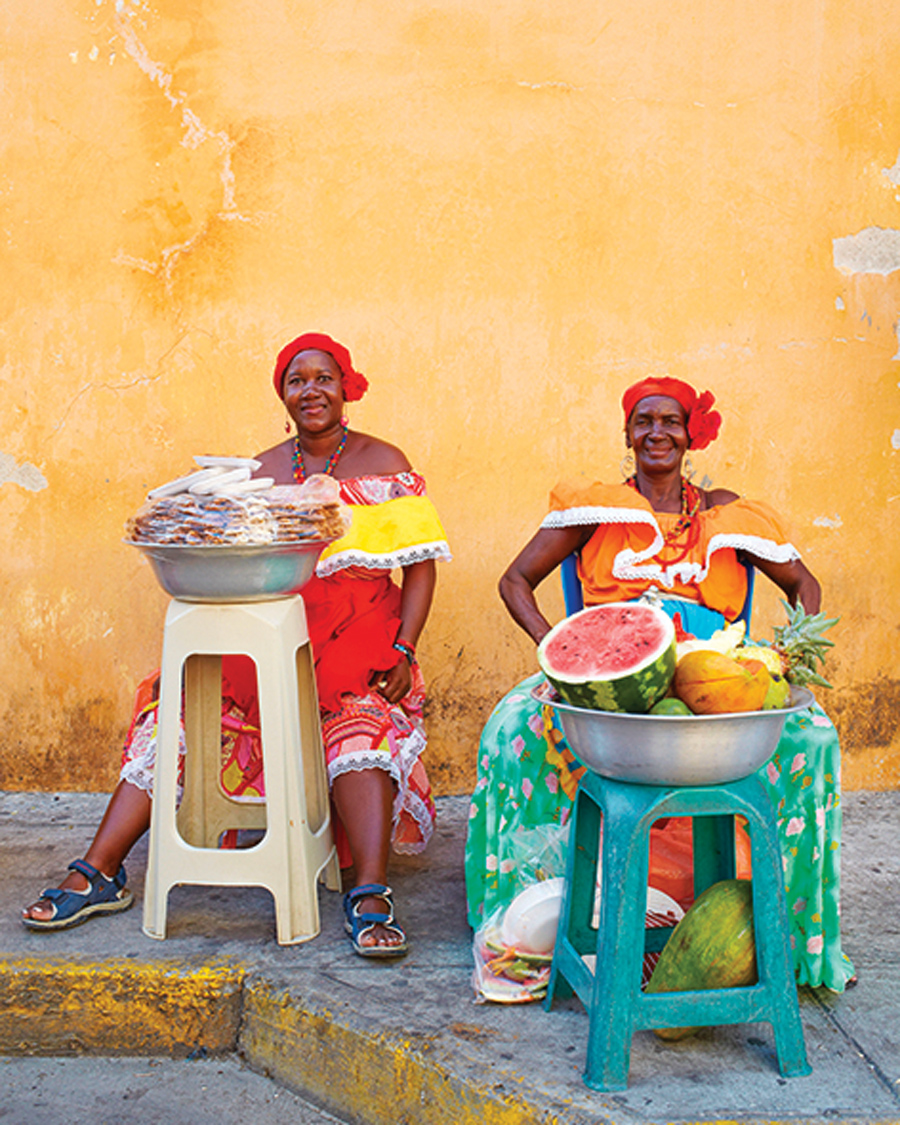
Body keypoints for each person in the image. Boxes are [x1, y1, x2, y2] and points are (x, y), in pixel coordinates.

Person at [23, 332, 450, 958]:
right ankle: (101, 869)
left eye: (323, 378)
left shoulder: (384, 460)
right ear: (283, 395)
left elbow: (421, 566)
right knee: (175, 718)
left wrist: (405, 650)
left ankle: (370, 891)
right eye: (297, 381)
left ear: (345, 386)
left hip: (363, 640)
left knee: (361, 730)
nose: (311, 391)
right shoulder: (260, 472)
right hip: (270, 634)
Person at [464, 374, 855, 992]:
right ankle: (527, 929)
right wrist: (561, 652)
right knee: (512, 727)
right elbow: (515, 580)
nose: (656, 432)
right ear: (627, 433)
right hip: (610, 686)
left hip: (714, 678)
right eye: (643, 421)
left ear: (690, 433)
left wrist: (783, 653)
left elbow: (804, 585)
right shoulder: (596, 507)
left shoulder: (728, 512)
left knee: (814, 739)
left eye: (670, 421)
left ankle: (794, 940)